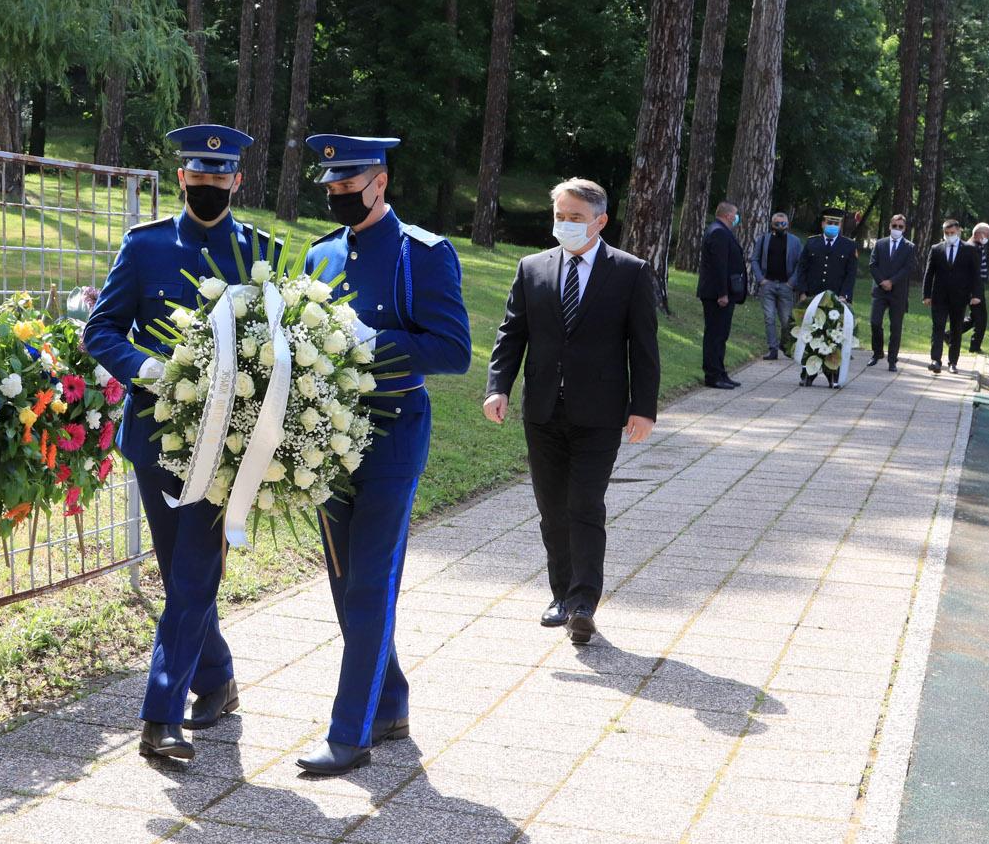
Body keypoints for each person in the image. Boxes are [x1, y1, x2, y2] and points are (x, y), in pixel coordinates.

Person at [84, 123, 267, 761]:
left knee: (193, 572)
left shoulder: (260, 253)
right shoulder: (145, 247)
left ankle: (161, 713)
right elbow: (100, 331)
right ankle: (217, 677)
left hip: (229, 447)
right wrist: (149, 370)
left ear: (237, 179)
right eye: (199, 174)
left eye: (222, 176)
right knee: (178, 572)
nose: (210, 184)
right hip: (157, 434)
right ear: (182, 177)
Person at [296, 134, 470, 776]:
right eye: (332, 188)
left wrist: (375, 343)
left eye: (351, 186)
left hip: (393, 432)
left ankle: (352, 732)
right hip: (326, 435)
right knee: (347, 582)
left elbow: (453, 349)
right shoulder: (320, 254)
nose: (340, 196)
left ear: (381, 183)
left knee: (371, 580)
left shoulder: (421, 254)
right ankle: (391, 701)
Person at [483, 178, 660, 648]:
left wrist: (643, 409)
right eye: (560, 216)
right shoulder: (531, 268)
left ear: (600, 221)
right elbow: (511, 335)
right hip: (542, 411)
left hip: (599, 413)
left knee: (584, 504)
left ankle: (584, 602)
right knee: (550, 509)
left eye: (576, 218)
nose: (565, 225)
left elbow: (644, 348)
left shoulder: (630, 272)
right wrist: (497, 387)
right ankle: (561, 596)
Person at [922, 218, 983, 375]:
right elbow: (929, 273)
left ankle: (953, 362)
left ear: (959, 232)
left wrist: (975, 295)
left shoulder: (969, 250)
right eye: (946, 233)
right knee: (938, 327)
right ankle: (935, 360)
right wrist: (926, 294)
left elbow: (975, 275)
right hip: (939, 296)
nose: (949, 236)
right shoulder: (936, 249)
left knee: (956, 329)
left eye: (952, 233)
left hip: (959, 297)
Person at [697, 201, 746, 389]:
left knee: (721, 334)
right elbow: (719, 265)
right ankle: (713, 374)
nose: (737, 217)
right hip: (717, 294)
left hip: (723, 293)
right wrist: (722, 293)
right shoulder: (718, 232)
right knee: (715, 334)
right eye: (736, 214)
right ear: (728, 215)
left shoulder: (721, 231)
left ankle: (720, 371)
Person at [749, 210, 802, 360]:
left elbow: (801, 263)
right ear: (772, 224)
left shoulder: (795, 241)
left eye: (783, 223)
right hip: (768, 284)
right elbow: (754, 259)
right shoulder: (764, 239)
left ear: (787, 224)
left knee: (786, 320)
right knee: (769, 318)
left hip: (786, 286)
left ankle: (784, 344)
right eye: (777, 223)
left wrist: (792, 282)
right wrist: (761, 279)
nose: (780, 226)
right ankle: (772, 348)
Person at [868, 213, 916, 372]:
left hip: (898, 292)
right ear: (890, 226)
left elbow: (908, 268)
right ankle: (877, 353)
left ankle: (892, 360)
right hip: (880, 290)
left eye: (900, 227)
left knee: (896, 327)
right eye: (894, 226)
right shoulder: (880, 244)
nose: (897, 229)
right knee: (875, 322)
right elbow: (872, 264)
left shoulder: (909, 247)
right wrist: (882, 281)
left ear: (904, 229)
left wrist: (892, 281)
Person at [792, 207, 859, 305]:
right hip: (811, 295)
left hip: (837, 297)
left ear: (840, 225)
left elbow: (851, 274)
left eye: (836, 224)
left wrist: (844, 295)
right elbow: (802, 268)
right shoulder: (811, 243)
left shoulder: (849, 246)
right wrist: (802, 292)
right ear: (823, 224)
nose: (833, 226)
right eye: (830, 223)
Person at [965, 222, 989, 353]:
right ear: (977, 234)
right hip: (974, 289)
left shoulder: (978, 246)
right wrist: (974, 294)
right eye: (986, 234)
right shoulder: (972, 247)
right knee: (981, 319)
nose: (988, 237)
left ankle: (949, 334)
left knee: (974, 318)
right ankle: (975, 347)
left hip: (977, 287)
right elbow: (972, 273)